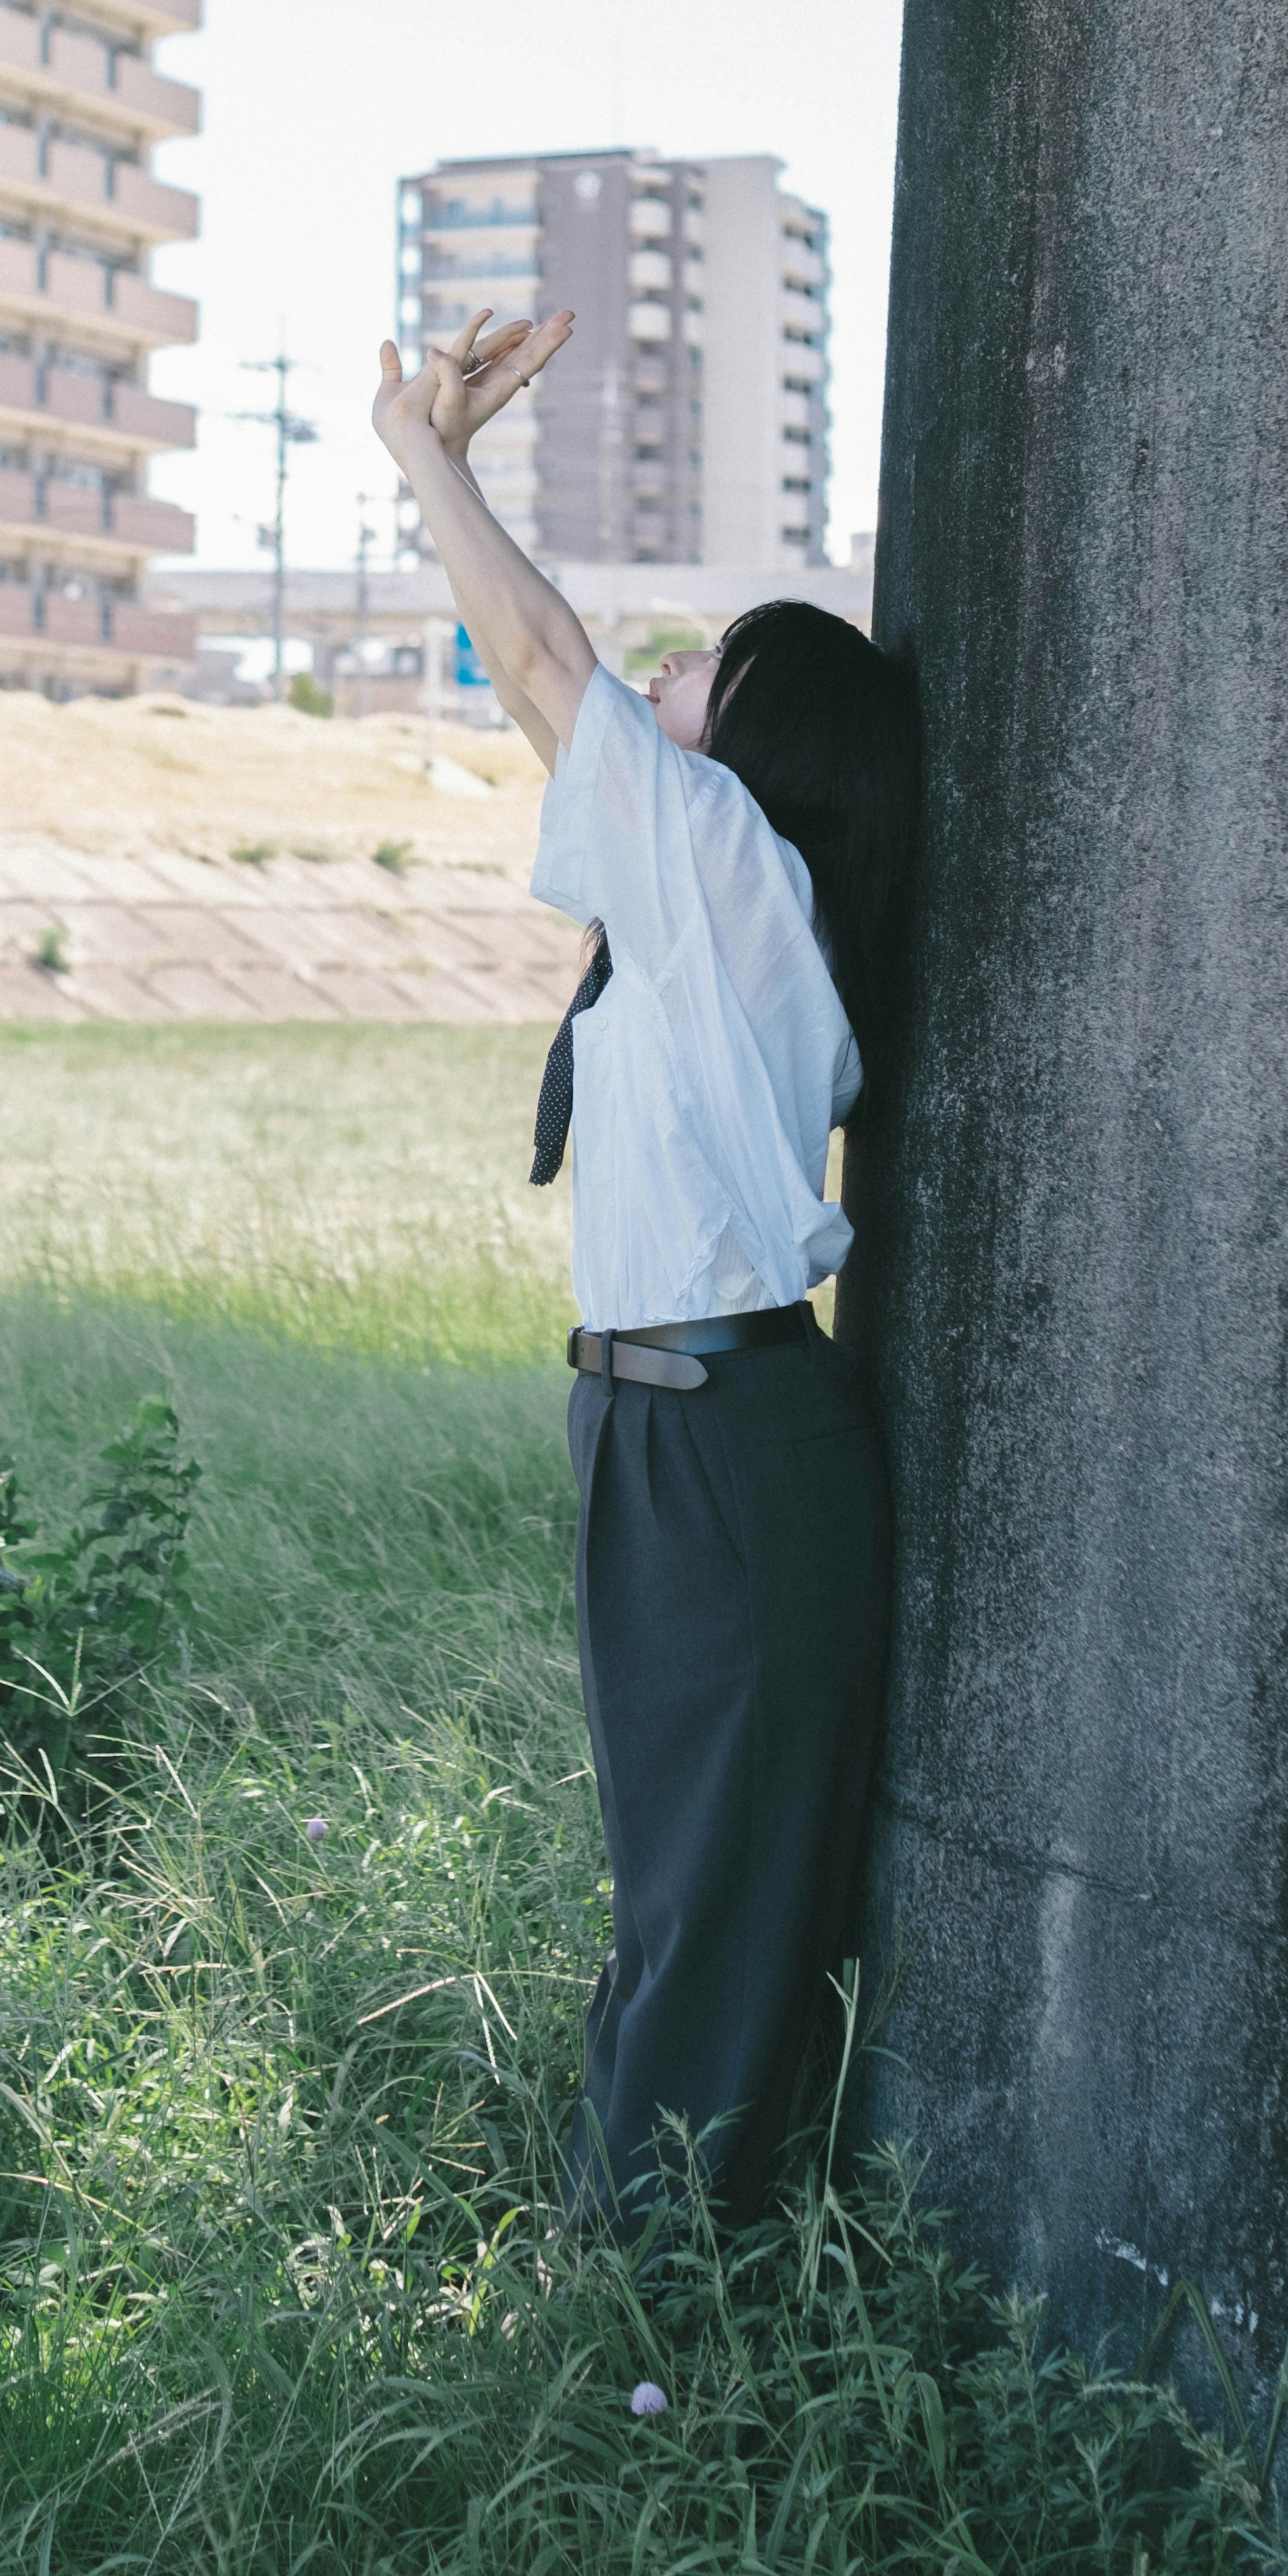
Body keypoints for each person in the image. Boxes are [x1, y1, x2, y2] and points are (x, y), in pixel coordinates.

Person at [373, 299, 920, 2230]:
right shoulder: (719, 901)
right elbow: (548, 686)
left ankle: (651, 2330)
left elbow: (538, 661)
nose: (671, 675)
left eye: (715, 670)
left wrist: (421, 450)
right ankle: (649, 2282)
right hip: (674, 1423)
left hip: (721, 1432)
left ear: (764, 752)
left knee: (708, 1900)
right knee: (686, 1881)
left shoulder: (733, 871)